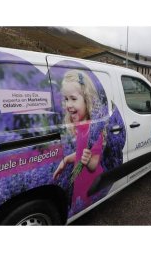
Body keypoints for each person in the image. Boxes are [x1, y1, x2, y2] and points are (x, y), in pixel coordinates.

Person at [53, 70, 105, 212]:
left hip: (90, 181)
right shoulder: (81, 127)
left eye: (73, 99)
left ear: (87, 100)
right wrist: (65, 161)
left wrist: (87, 160)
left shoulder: (93, 129)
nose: (68, 104)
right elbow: (81, 153)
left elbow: (94, 164)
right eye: (66, 99)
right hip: (80, 180)